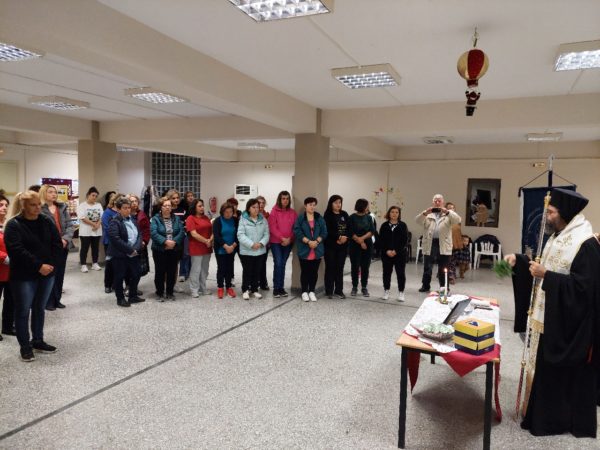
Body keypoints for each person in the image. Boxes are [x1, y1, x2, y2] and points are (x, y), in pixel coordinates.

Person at [504, 188, 600, 438]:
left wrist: (547, 275)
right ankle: (537, 415)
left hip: (567, 324)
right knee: (542, 368)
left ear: (565, 213)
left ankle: (553, 421)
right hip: (548, 316)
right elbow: (543, 269)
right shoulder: (557, 236)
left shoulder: (585, 243)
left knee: (554, 373)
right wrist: (519, 261)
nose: (546, 217)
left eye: (551, 212)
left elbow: (584, 289)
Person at [5, 191, 62, 362]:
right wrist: (39, 266)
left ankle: (37, 340)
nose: (38, 208)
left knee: (39, 308)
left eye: (39, 204)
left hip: (47, 272)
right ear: (23, 206)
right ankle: (25, 346)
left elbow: (57, 243)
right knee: (23, 311)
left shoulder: (46, 221)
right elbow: (17, 251)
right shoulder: (13, 225)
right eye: (33, 205)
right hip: (24, 276)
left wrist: (51, 265)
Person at [415, 194, 460, 293]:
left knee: (443, 267)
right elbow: (417, 221)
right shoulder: (428, 214)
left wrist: (447, 212)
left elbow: (458, 220)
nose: (437, 202)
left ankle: (444, 288)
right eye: (435, 201)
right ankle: (425, 286)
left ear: (443, 202)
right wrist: (425, 213)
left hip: (443, 243)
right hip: (430, 243)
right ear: (433, 202)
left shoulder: (448, 214)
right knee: (427, 266)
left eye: (439, 201)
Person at [39, 184, 74, 310]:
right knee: (49, 274)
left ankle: (57, 299)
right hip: (49, 247)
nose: (54, 194)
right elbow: (40, 230)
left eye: (55, 192)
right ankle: (48, 301)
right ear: (43, 193)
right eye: (50, 192)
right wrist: (55, 242)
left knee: (60, 274)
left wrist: (65, 239)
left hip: (63, 246)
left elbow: (70, 226)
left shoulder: (62, 207)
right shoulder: (40, 209)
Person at [107, 197, 144, 307]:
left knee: (136, 273)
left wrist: (136, 248)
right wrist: (130, 250)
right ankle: (120, 299)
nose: (128, 210)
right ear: (119, 209)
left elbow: (139, 234)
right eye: (125, 208)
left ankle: (133, 296)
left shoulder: (133, 219)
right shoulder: (114, 221)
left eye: (129, 207)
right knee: (120, 276)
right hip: (120, 254)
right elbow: (116, 239)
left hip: (134, 253)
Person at [293, 197, 327, 302]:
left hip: (317, 249)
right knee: (305, 272)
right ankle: (304, 292)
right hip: (304, 249)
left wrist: (316, 242)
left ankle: (312, 291)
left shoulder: (319, 218)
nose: (312, 207)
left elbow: (324, 232)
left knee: (314, 272)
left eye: (314, 205)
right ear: (305, 205)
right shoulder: (301, 218)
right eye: (310, 204)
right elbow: (297, 231)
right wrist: (308, 242)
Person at [150, 196, 185, 300]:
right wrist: (165, 242)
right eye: (165, 205)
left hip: (174, 249)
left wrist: (174, 242)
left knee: (171, 271)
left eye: (169, 205)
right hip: (159, 249)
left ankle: (170, 292)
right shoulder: (155, 219)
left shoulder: (176, 218)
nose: (167, 207)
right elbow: (154, 233)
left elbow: (181, 232)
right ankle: (160, 293)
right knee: (160, 272)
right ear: (161, 207)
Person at [237, 198, 269, 300]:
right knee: (247, 271)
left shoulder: (263, 220)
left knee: (257, 271)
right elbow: (240, 235)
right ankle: (245, 289)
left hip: (260, 250)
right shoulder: (243, 219)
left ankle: (255, 289)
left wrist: (261, 243)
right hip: (247, 251)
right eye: (253, 207)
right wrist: (251, 244)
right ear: (248, 208)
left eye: (257, 207)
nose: (256, 209)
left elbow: (266, 234)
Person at [268, 191, 297, 298]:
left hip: (288, 242)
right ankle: (276, 288)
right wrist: (282, 238)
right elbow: (272, 227)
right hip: (276, 242)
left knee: (283, 264)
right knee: (278, 263)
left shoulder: (293, 213)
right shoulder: (274, 211)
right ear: (279, 199)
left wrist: (290, 239)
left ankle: (281, 288)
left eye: (287, 198)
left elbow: (295, 227)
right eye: (283, 198)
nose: (285, 200)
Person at [379, 206, 408, 302]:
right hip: (386, 254)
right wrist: (387, 250)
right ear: (389, 213)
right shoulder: (384, 225)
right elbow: (381, 240)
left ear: (399, 214)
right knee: (386, 272)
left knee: (400, 273)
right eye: (392, 212)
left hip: (399, 254)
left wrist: (396, 251)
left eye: (396, 212)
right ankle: (386, 290)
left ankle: (401, 292)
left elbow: (404, 240)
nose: (394, 214)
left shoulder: (403, 225)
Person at [323, 194, 350, 299]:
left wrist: (344, 237)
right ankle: (329, 290)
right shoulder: (327, 215)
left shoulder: (344, 214)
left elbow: (349, 228)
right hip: (331, 245)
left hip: (343, 246)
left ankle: (339, 290)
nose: (338, 204)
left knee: (340, 268)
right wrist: (338, 237)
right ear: (331, 203)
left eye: (340, 202)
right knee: (330, 268)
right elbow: (327, 230)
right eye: (336, 203)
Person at [186, 199, 213, 298]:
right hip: (196, 247)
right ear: (194, 207)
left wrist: (210, 240)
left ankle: (203, 288)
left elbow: (212, 231)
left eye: (202, 205)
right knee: (196, 269)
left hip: (207, 247)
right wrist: (206, 241)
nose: (202, 208)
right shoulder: (190, 218)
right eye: (200, 206)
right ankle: (194, 289)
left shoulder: (206, 217)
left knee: (204, 269)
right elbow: (193, 234)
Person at [348, 198, 376, 297]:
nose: (368, 207)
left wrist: (362, 239)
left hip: (367, 244)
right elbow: (350, 231)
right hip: (354, 244)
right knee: (355, 266)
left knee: (365, 266)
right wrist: (360, 241)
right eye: (367, 205)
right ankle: (354, 287)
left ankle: (364, 287)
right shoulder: (352, 217)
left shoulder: (369, 217)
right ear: (362, 206)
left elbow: (372, 231)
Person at [212, 202, 238, 299]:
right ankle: (220, 287)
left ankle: (229, 287)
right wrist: (226, 246)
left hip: (232, 248)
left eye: (230, 212)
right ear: (222, 212)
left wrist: (233, 246)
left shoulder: (235, 220)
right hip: (221, 248)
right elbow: (217, 236)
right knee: (221, 268)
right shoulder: (218, 221)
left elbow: (238, 234)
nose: (228, 214)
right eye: (226, 212)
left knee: (229, 268)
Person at [77, 186, 103, 273]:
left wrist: (98, 224)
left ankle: (95, 263)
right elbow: (83, 218)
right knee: (84, 248)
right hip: (85, 231)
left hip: (97, 231)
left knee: (95, 248)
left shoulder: (98, 205)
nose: (94, 197)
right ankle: (83, 265)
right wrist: (94, 224)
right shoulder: (82, 205)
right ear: (88, 195)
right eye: (93, 195)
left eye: (96, 196)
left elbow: (102, 216)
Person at [167, 189, 190, 284]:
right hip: (169, 239)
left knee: (182, 257)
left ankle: (179, 277)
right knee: (170, 261)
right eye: (173, 198)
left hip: (181, 238)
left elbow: (185, 225)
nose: (176, 200)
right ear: (169, 199)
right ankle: (168, 282)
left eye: (177, 198)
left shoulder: (183, 211)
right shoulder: (167, 209)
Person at [0, 193, 15, 338]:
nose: (4, 208)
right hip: (1, 267)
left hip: (11, 270)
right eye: (0, 205)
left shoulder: (10, 223)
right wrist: (5, 258)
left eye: (5, 205)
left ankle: (8, 327)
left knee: (10, 300)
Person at [129, 194, 150, 289]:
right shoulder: (125, 214)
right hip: (128, 245)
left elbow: (146, 230)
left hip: (140, 244)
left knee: (139, 268)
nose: (134, 203)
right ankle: (129, 287)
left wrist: (144, 241)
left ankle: (134, 287)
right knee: (128, 268)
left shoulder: (142, 214)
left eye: (135, 201)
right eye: (132, 201)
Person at [101, 193, 121, 294]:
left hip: (120, 242)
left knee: (119, 265)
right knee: (110, 264)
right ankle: (108, 285)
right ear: (114, 201)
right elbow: (107, 228)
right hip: (109, 242)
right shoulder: (107, 212)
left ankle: (116, 284)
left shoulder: (122, 212)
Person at [444, 202, 463, 285]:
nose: (451, 209)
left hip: (455, 244)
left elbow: (458, 231)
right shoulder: (444, 218)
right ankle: (449, 276)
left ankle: (451, 275)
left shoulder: (457, 218)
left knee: (453, 261)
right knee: (447, 261)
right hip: (446, 243)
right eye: (449, 208)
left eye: (452, 208)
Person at [256, 195, 270, 291]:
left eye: (263, 203)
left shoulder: (267, 215)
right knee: (254, 264)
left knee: (262, 263)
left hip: (264, 244)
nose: (261, 204)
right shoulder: (250, 215)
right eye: (259, 202)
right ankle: (254, 282)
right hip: (253, 244)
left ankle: (263, 282)